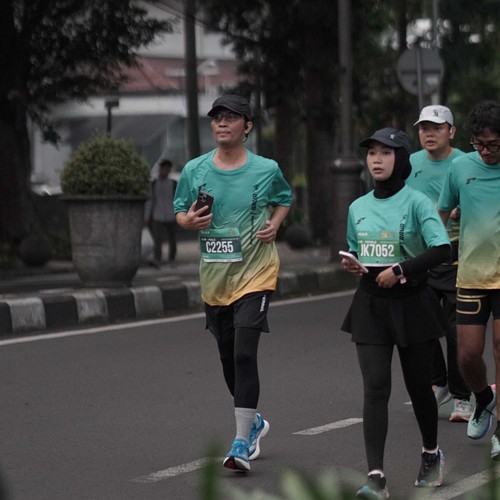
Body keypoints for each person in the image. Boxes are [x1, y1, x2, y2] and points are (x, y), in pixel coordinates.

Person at [173, 94, 293, 472]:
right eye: (216, 117)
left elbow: (284, 198)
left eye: (231, 117)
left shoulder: (266, 169)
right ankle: (253, 421)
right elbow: (180, 211)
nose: (222, 123)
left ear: (248, 126)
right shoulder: (195, 170)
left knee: (244, 353)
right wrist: (188, 221)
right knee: (228, 357)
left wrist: (275, 223)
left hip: (257, 272)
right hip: (215, 277)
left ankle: (241, 442)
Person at [340, 128, 451, 498]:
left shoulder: (418, 202)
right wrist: (352, 264)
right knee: (375, 387)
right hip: (370, 304)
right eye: (372, 152)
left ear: (401, 159)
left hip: (412, 303)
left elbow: (442, 249)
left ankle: (431, 453)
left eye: (385, 153)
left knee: (419, 387)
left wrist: (402, 269)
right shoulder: (357, 207)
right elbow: (355, 249)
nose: (377, 159)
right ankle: (376, 478)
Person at [438, 100, 500, 459]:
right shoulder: (461, 167)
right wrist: (434, 249)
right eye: (479, 144)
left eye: (493, 144)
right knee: (467, 356)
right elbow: (441, 213)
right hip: (472, 274)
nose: (486, 151)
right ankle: (484, 397)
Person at [407, 105, 472, 422]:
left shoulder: (466, 163)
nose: (429, 134)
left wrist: (461, 209)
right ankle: (439, 382)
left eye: (436, 128)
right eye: (424, 128)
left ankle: (462, 397)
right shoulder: (410, 163)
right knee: (421, 325)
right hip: (420, 254)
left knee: (456, 329)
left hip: (457, 253)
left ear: (452, 131)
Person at [144, 158, 177, 268]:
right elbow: (150, 201)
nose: (166, 172)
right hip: (157, 215)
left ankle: (172, 258)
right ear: (160, 169)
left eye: (168, 170)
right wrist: (146, 217)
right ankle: (157, 259)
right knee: (157, 239)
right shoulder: (154, 184)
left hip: (171, 214)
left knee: (172, 238)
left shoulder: (173, 184)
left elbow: (178, 200)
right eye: (165, 169)